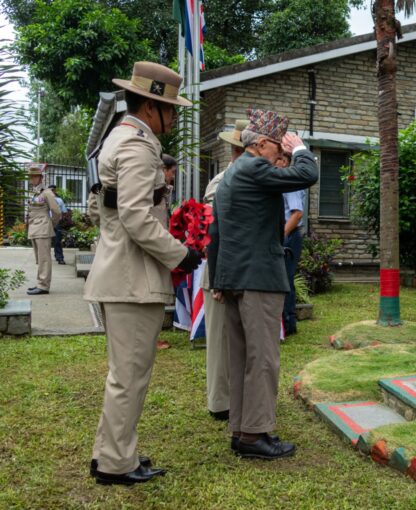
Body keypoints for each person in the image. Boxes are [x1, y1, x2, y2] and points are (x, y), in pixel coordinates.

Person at [84, 61, 202, 486]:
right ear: (152, 107)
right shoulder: (137, 145)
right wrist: (179, 254)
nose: (173, 117)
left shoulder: (123, 136)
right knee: (129, 377)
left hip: (123, 275)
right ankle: (116, 463)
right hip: (131, 280)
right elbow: (136, 216)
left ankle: (111, 453)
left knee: (125, 376)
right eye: (171, 108)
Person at [208, 109, 318, 460]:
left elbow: (218, 234)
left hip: (237, 278)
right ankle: (255, 436)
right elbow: (308, 173)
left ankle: (242, 430)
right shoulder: (255, 167)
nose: (280, 155)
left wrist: (220, 280)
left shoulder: (232, 174)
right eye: (278, 146)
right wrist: (300, 149)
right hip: (258, 280)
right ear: (262, 143)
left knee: (242, 358)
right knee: (263, 358)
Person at [202, 118, 248, 421]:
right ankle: (220, 402)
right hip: (221, 272)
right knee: (220, 341)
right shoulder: (223, 181)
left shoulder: (249, 178)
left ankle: (239, 398)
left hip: (244, 271)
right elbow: (214, 230)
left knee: (239, 341)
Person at [26, 166, 61, 295]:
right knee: (39, 258)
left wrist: (51, 224)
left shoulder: (47, 192)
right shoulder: (34, 192)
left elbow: (56, 211)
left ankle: (43, 286)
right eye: (31, 176)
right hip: (35, 228)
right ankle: (40, 282)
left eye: (35, 176)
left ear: (41, 177)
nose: (32, 179)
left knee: (44, 258)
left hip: (43, 228)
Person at [281, 158, 305, 337]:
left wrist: (281, 236)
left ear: (285, 161)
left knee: (286, 279)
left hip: (289, 235)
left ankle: (288, 323)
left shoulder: (291, 183)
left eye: (278, 159)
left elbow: (297, 214)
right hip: (285, 234)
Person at [48, 185, 67, 265]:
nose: (52, 192)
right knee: (46, 242)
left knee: (57, 241)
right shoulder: (45, 200)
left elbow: (64, 211)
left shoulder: (59, 200)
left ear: (55, 191)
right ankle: (44, 259)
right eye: (50, 190)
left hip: (57, 223)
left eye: (53, 190)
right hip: (47, 222)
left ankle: (60, 258)